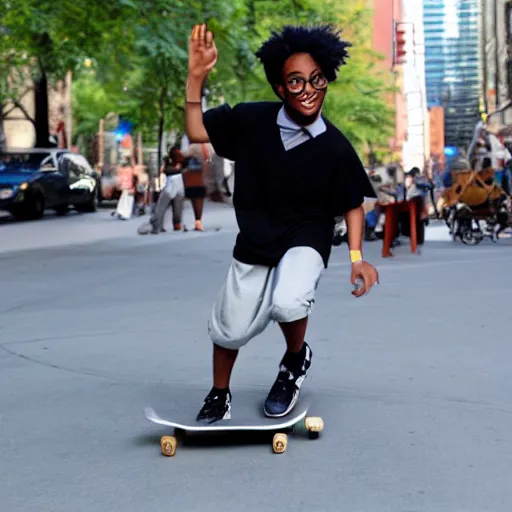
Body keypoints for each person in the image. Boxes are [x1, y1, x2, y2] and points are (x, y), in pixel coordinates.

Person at [185, 23, 379, 423]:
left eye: (316, 79)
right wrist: (195, 79)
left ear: (327, 81)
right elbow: (196, 130)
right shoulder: (252, 121)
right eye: (295, 81)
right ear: (279, 88)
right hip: (256, 237)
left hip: (308, 234)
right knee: (229, 329)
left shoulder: (335, 147)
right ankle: (219, 394)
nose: (308, 89)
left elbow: (352, 204)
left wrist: (357, 257)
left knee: (289, 299)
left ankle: (293, 362)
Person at [139, 150, 185, 234]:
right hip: (175, 186)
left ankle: (161, 226)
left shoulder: (176, 164)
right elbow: (165, 170)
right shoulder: (176, 164)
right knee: (172, 207)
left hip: (173, 186)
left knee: (164, 207)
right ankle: (173, 225)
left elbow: (164, 170)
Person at [182, 142, 212, 231]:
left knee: (194, 199)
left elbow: (184, 155)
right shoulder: (209, 146)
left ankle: (197, 221)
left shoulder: (194, 146)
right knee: (200, 199)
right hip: (204, 177)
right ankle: (198, 220)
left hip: (193, 177)